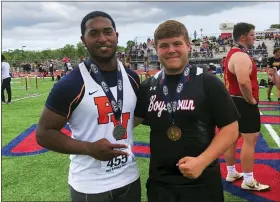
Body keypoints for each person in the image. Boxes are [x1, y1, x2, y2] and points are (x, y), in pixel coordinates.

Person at [36, 11, 141, 202]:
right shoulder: (71, 84)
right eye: (94, 34)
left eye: (107, 32)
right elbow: (43, 134)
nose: (102, 38)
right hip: (90, 186)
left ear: (116, 36)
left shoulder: (132, 78)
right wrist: (88, 148)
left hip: (129, 179)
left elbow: (137, 116)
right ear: (83, 40)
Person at [134, 20, 240, 202]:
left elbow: (231, 129)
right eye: (164, 45)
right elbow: (131, 121)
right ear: (156, 49)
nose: (171, 50)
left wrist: (202, 161)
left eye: (177, 43)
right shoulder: (148, 87)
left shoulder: (209, 82)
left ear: (188, 46)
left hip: (202, 182)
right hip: (160, 184)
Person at [223, 22, 270, 191]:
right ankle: (248, 180)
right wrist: (251, 100)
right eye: (252, 34)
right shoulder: (241, 56)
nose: (254, 37)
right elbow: (243, 81)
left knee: (231, 139)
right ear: (243, 36)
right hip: (243, 102)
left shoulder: (233, 53)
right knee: (250, 141)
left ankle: (231, 172)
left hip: (232, 101)